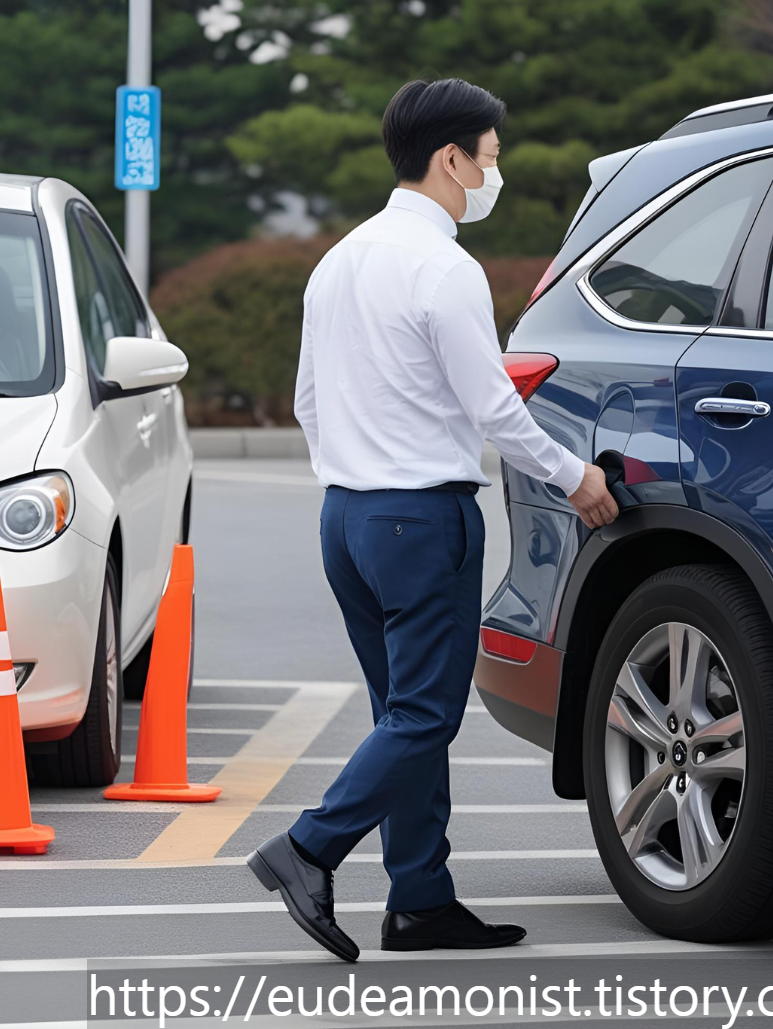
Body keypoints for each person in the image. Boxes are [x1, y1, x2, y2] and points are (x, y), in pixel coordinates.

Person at [246, 77, 619, 962]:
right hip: (422, 521)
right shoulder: (444, 267)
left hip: (348, 519)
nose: (495, 172)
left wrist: (356, 476)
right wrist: (577, 479)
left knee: (401, 715)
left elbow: (306, 400)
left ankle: (420, 901)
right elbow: (495, 409)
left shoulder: (338, 259)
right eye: (489, 156)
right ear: (450, 158)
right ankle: (306, 850)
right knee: (423, 717)